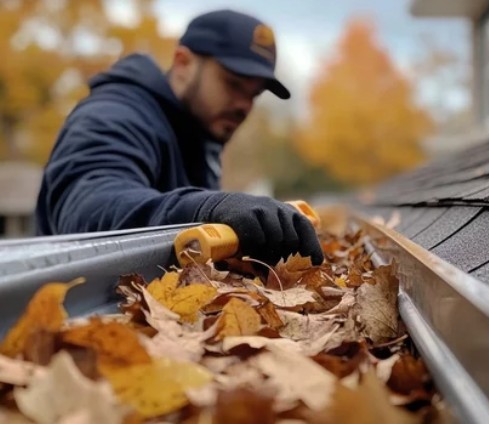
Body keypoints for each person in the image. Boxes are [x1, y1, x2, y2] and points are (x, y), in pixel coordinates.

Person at [34, 9, 323, 265]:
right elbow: (90, 208)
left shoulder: (198, 134)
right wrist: (208, 208)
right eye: (233, 84)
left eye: (254, 94)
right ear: (183, 63)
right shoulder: (114, 113)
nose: (243, 105)